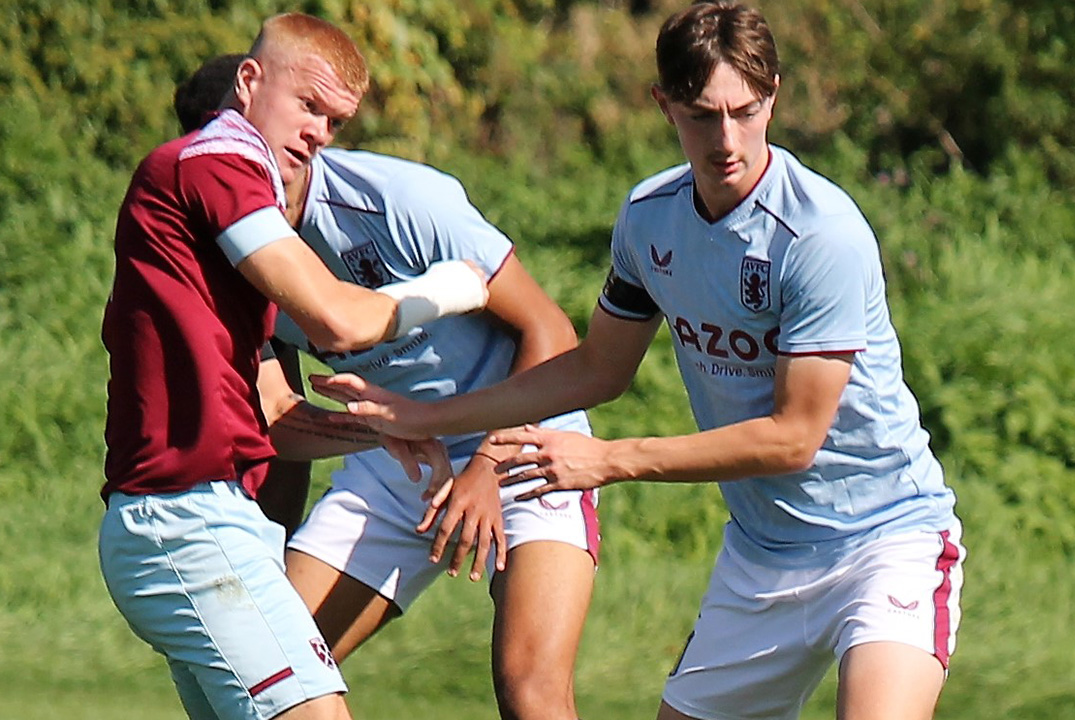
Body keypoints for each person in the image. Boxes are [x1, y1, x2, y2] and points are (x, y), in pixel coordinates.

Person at [311, 2, 966, 719]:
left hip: (884, 540)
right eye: (701, 115)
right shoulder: (650, 218)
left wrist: (612, 459)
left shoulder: (819, 236)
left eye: (746, 112)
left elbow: (793, 437)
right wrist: (429, 415)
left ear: (774, 94)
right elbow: (596, 369)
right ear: (664, 104)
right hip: (762, 557)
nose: (727, 139)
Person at [175, 55, 601, 720]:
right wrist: (268, 542)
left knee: (531, 689)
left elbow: (550, 331)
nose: (229, 165)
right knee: (260, 673)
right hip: (390, 462)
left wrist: (486, 466)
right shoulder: (229, 252)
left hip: (523, 443)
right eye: (208, 150)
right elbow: (278, 420)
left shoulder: (398, 199)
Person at [99, 14, 487, 720]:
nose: (318, 134)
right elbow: (338, 319)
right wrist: (450, 289)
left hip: (190, 522)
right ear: (249, 81)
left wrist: (378, 431)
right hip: (189, 523)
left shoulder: (216, 226)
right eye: (308, 105)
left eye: (334, 121)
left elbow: (274, 415)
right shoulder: (215, 161)